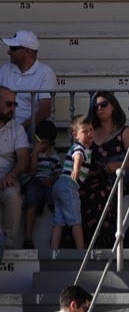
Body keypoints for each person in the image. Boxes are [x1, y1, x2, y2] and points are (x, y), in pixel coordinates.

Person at [81, 90, 129, 248]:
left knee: (100, 194)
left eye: (104, 105)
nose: (99, 108)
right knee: (78, 194)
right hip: (92, 177)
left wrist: (117, 166)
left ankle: (103, 244)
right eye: (96, 106)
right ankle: (82, 245)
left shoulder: (125, 131)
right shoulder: (90, 132)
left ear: (113, 106)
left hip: (115, 178)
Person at [50, 115, 94, 249]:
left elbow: (84, 169)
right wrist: (76, 169)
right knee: (76, 219)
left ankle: (53, 249)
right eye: (84, 131)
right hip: (69, 185)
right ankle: (81, 250)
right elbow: (78, 157)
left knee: (59, 221)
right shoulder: (79, 147)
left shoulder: (83, 148)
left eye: (91, 130)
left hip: (59, 185)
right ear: (75, 135)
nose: (89, 133)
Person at [0, 31, 54, 131]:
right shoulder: (5, 69)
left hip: (29, 126)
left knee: (39, 130)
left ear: (26, 51)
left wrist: (21, 127)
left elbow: (45, 111)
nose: (9, 52)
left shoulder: (45, 72)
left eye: (13, 48)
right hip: (4, 122)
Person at [21, 118, 59, 249]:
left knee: (56, 197)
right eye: (42, 142)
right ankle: (28, 239)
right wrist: (35, 155)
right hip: (34, 181)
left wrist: (51, 179)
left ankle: (59, 236)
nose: (44, 147)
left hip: (48, 183)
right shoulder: (31, 154)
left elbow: (57, 172)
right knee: (31, 195)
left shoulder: (54, 156)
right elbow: (31, 174)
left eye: (48, 144)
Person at [0, 85, 31, 245]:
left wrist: (11, 175)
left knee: (13, 196)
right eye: (8, 104)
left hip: (7, 179)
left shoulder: (17, 129)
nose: (12, 108)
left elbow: (24, 159)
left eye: (15, 104)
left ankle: (7, 244)